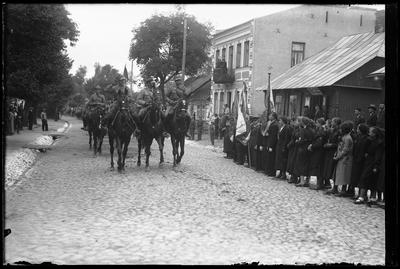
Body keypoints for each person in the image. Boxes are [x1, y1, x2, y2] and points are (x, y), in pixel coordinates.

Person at [354, 127, 384, 204]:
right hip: (368, 162)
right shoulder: (369, 140)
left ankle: (368, 197)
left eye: (370, 132)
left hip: (373, 162)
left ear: (374, 134)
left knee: (369, 179)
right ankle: (364, 196)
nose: (369, 133)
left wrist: (376, 166)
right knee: (365, 178)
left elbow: (378, 155)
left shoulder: (379, 143)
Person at [332, 121, 354, 196]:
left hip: (345, 159)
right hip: (341, 158)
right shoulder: (344, 137)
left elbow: (345, 150)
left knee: (344, 175)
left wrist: (338, 157)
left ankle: (343, 190)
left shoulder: (348, 138)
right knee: (338, 174)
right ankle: (335, 188)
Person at [349, 123, 370, 200]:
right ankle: (354, 192)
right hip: (356, 159)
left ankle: (362, 194)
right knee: (355, 177)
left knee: (361, 177)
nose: (357, 130)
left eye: (358, 128)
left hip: (362, 161)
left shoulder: (367, 139)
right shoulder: (358, 137)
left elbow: (365, 150)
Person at [294, 117, 315, 187]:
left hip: (302, 149)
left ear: (303, 122)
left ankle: (302, 181)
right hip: (309, 149)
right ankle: (307, 180)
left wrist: (297, 141)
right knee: (307, 164)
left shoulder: (303, 130)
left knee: (301, 164)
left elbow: (302, 140)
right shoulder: (312, 130)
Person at [323, 117, 341, 193]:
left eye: (333, 122)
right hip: (328, 151)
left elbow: (338, 143)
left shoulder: (339, 132)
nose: (331, 123)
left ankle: (334, 186)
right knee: (327, 167)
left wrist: (330, 145)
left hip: (333, 151)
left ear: (336, 123)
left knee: (332, 168)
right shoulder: (331, 130)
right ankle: (327, 183)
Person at [308, 118, 327, 190]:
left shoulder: (322, 131)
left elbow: (319, 142)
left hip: (319, 151)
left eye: (317, 122)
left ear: (320, 123)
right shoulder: (318, 130)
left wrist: (312, 146)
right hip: (315, 151)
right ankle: (316, 183)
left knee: (319, 167)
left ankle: (319, 183)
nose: (316, 124)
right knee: (315, 166)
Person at [274, 116, 293, 180]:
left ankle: (283, 173)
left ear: (283, 121)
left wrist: (284, 147)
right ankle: (280, 172)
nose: (279, 122)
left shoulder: (286, 128)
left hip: (283, 145)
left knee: (283, 160)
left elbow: (286, 138)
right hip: (279, 145)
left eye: (280, 120)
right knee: (279, 160)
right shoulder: (281, 127)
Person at [263, 112, 279, 176]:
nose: (269, 116)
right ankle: (268, 171)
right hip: (269, 142)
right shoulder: (271, 123)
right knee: (269, 158)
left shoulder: (275, 124)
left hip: (272, 144)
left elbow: (273, 136)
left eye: (270, 115)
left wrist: (271, 146)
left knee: (271, 159)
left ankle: (271, 172)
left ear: (273, 117)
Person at [286, 117, 301, 183]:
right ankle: (293, 176)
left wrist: (291, 143)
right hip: (293, 148)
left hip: (297, 148)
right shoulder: (296, 129)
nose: (295, 123)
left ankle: (295, 177)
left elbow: (296, 138)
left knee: (296, 163)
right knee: (292, 162)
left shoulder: (301, 130)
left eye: (297, 121)